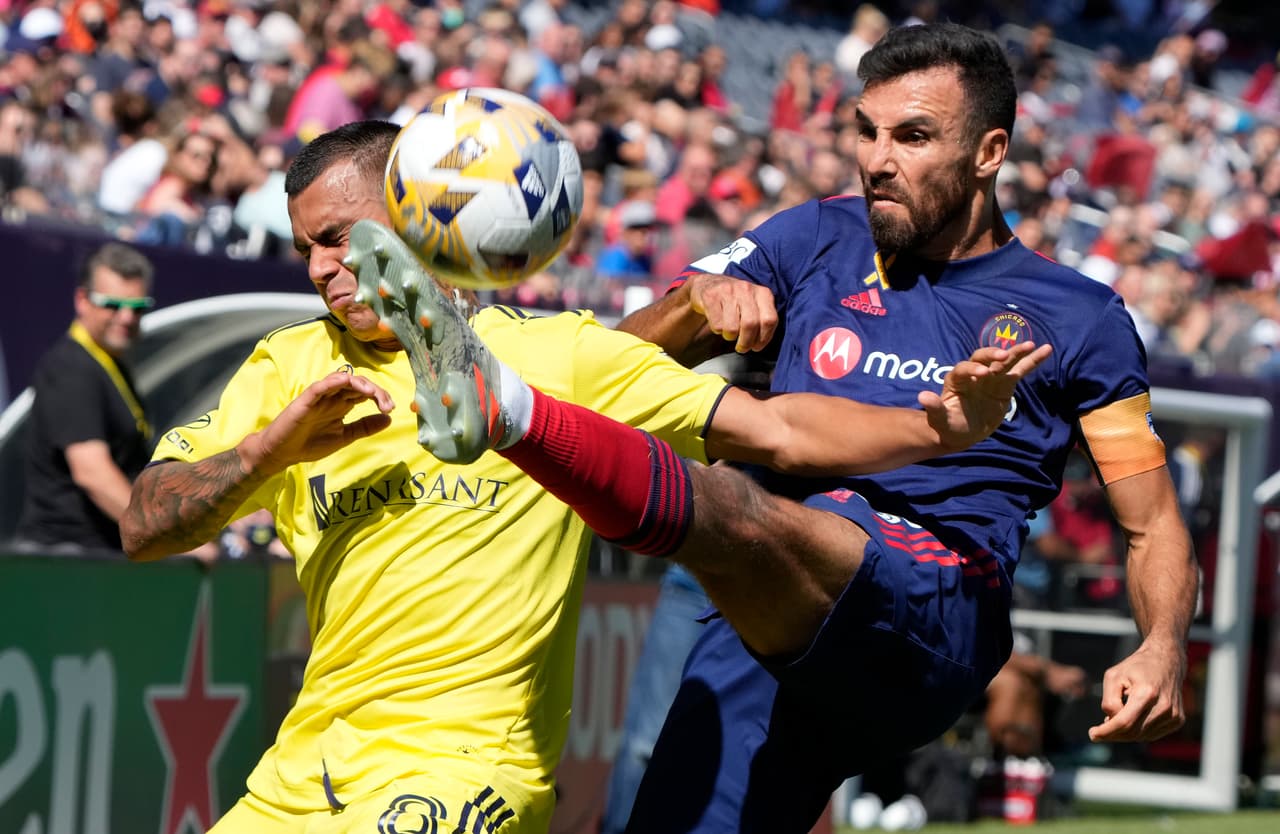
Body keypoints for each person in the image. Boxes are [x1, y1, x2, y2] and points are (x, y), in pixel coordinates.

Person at [118, 119, 1044, 834]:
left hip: (462, 768)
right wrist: (265, 453)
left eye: (340, 237)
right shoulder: (283, 369)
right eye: (305, 249)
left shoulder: (556, 357)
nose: (323, 269)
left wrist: (936, 426)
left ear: (422, 216)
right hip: (301, 768)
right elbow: (143, 525)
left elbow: (776, 430)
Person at [398, 24, 1197, 833]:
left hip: (935, 603)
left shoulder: (1080, 315)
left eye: (913, 137)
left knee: (738, 502)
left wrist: (1162, 644)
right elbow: (609, 366)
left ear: (989, 152)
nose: (877, 159)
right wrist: (693, 304)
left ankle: (511, 412)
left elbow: (1152, 519)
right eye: (866, 130)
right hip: (767, 606)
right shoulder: (815, 236)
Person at [14, 242, 155, 554]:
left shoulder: (107, 363)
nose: (127, 317)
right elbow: (92, 472)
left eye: (137, 307)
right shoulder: (71, 367)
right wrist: (163, 534)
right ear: (82, 300)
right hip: (66, 560)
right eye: (113, 305)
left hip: (96, 555)